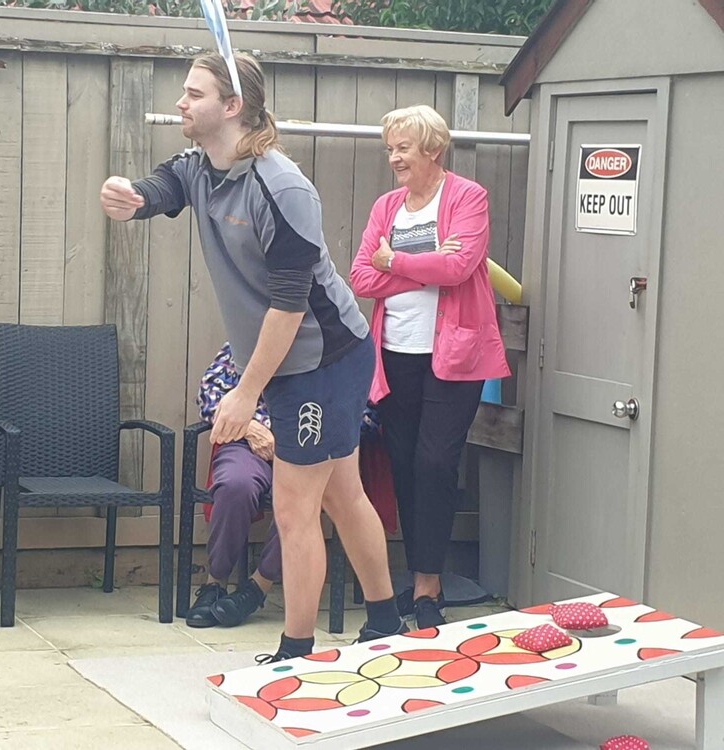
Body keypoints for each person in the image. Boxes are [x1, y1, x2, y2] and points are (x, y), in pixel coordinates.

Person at [101, 52, 406, 662]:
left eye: (195, 94)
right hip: (290, 362)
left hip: (323, 360)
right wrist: (131, 197)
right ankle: (386, 622)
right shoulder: (200, 167)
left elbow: (289, 308)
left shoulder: (282, 188)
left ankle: (297, 651)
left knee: (294, 508)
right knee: (343, 494)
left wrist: (245, 394)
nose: (181, 103)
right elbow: (164, 186)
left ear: (233, 106)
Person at [350, 104, 510, 630]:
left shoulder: (467, 197)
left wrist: (394, 261)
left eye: (403, 148)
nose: (394, 158)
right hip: (395, 354)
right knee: (403, 464)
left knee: (435, 463)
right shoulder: (387, 207)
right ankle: (423, 581)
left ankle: (427, 585)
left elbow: (460, 266)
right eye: (390, 149)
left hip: (455, 357)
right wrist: (427, 267)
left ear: (433, 149)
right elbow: (360, 277)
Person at [185, 342, 280, 629]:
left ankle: (258, 586)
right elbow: (209, 394)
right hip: (247, 442)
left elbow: (364, 415)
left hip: (305, 447)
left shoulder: (333, 344)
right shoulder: (247, 341)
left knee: (301, 500)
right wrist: (249, 426)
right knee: (234, 485)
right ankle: (215, 582)